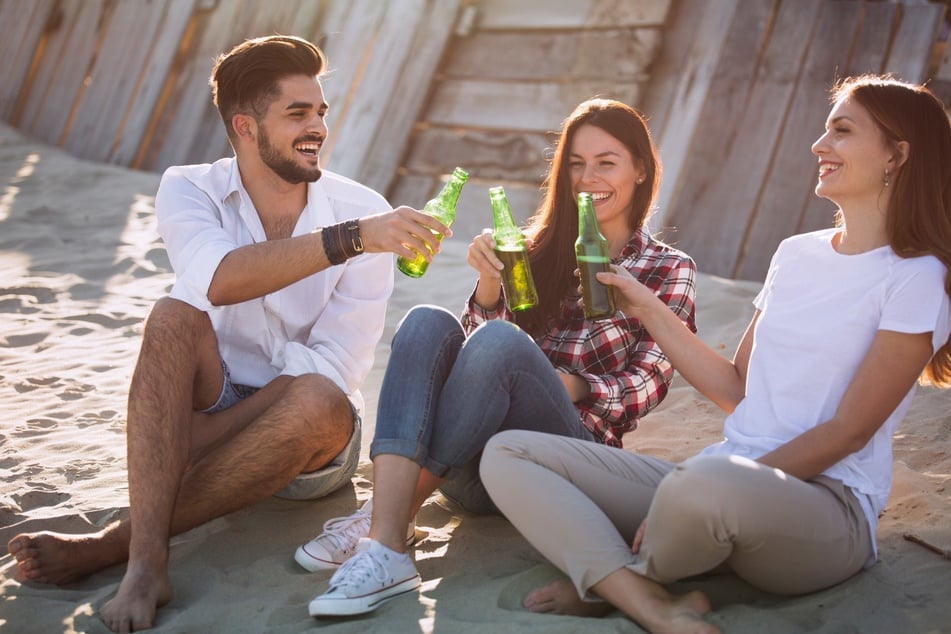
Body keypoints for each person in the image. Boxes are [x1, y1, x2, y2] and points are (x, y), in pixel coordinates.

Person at [6, 35, 452, 633]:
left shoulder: (362, 206)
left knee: (319, 400)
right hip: (215, 395)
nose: (317, 125)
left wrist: (209, 433)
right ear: (245, 125)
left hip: (309, 448)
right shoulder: (191, 188)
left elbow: (334, 373)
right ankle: (147, 567)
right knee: (171, 316)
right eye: (297, 113)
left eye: (320, 110)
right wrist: (348, 239)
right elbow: (215, 280)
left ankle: (113, 547)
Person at [479, 75, 951, 633]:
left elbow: (848, 432)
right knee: (508, 453)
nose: (818, 146)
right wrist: (649, 307)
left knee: (702, 484)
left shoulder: (917, 277)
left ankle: (620, 581)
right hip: (714, 485)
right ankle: (642, 594)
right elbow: (737, 390)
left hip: (826, 508)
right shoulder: (795, 254)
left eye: (841, 131)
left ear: (898, 154)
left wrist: (710, 485)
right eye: (825, 129)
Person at [300, 98, 699, 617]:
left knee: (504, 344)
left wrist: (571, 385)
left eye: (607, 162)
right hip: (465, 470)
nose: (588, 177)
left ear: (641, 169)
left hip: (562, 460)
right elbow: (474, 360)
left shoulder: (668, 269)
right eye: (576, 164)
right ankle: (385, 533)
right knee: (426, 320)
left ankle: (385, 526)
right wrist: (489, 286)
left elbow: (650, 384)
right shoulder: (532, 248)